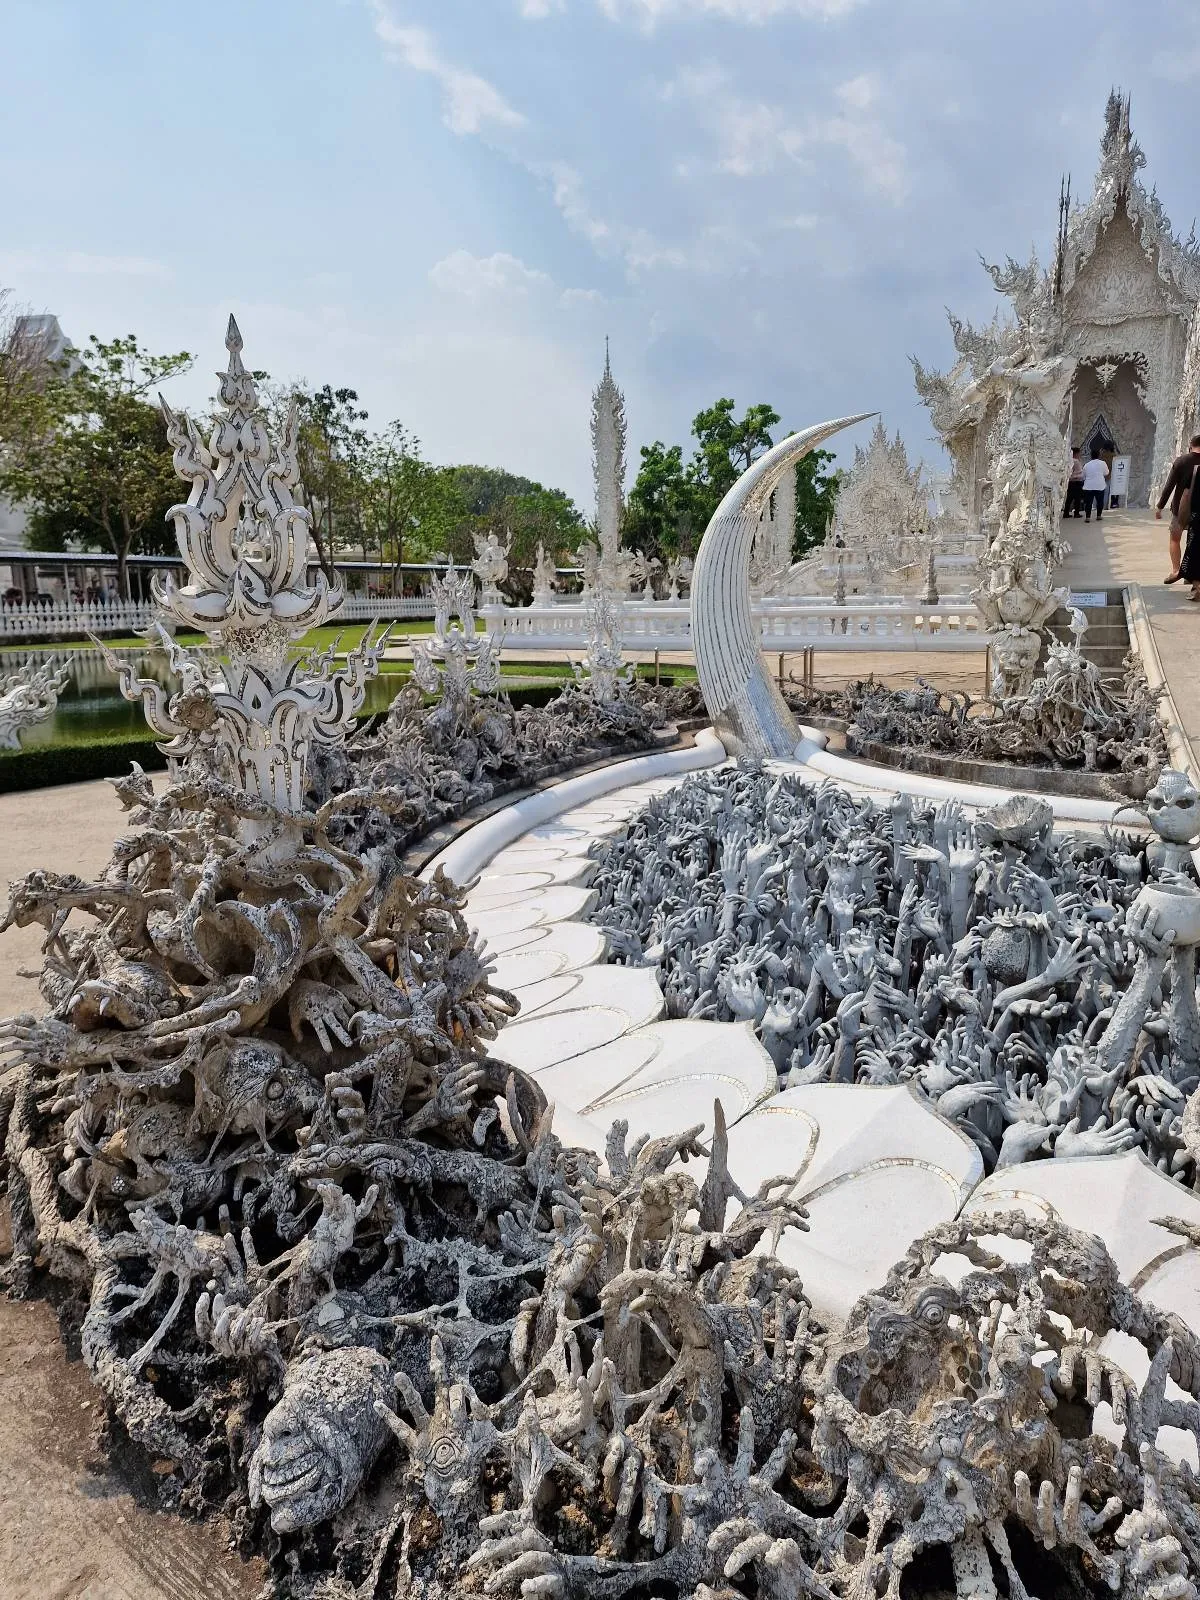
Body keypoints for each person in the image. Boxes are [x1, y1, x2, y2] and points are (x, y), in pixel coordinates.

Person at [1155, 432, 1200, 584]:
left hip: (1182, 506)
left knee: (1175, 537)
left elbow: (1169, 486)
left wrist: (1160, 506)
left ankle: (1176, 570)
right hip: (1198, 507)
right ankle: (1191, 575)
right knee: (1194, 541)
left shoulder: (1182, 461)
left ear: (1190, 446)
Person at [1081, 446, 1109, 522]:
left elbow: (1083, 476)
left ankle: (1088, 517)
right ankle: (1099, 516)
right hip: (1100, 485)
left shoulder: (1086, 465)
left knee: (1088, 502)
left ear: (1091, 455)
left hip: (1088, 486)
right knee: (1100, 501)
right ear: (1099, 455)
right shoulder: (1103, 463)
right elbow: (1106, 473)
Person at [1063, 447, 1085, 518]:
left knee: (1069, 498)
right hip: (1076, 481)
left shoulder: (1067, 461)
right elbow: (1079, 472)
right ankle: (1076, 513)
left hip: (1069, 481)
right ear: (1076, 453)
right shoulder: (1076, 462)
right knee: (1077, 498)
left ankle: (1066, 512)